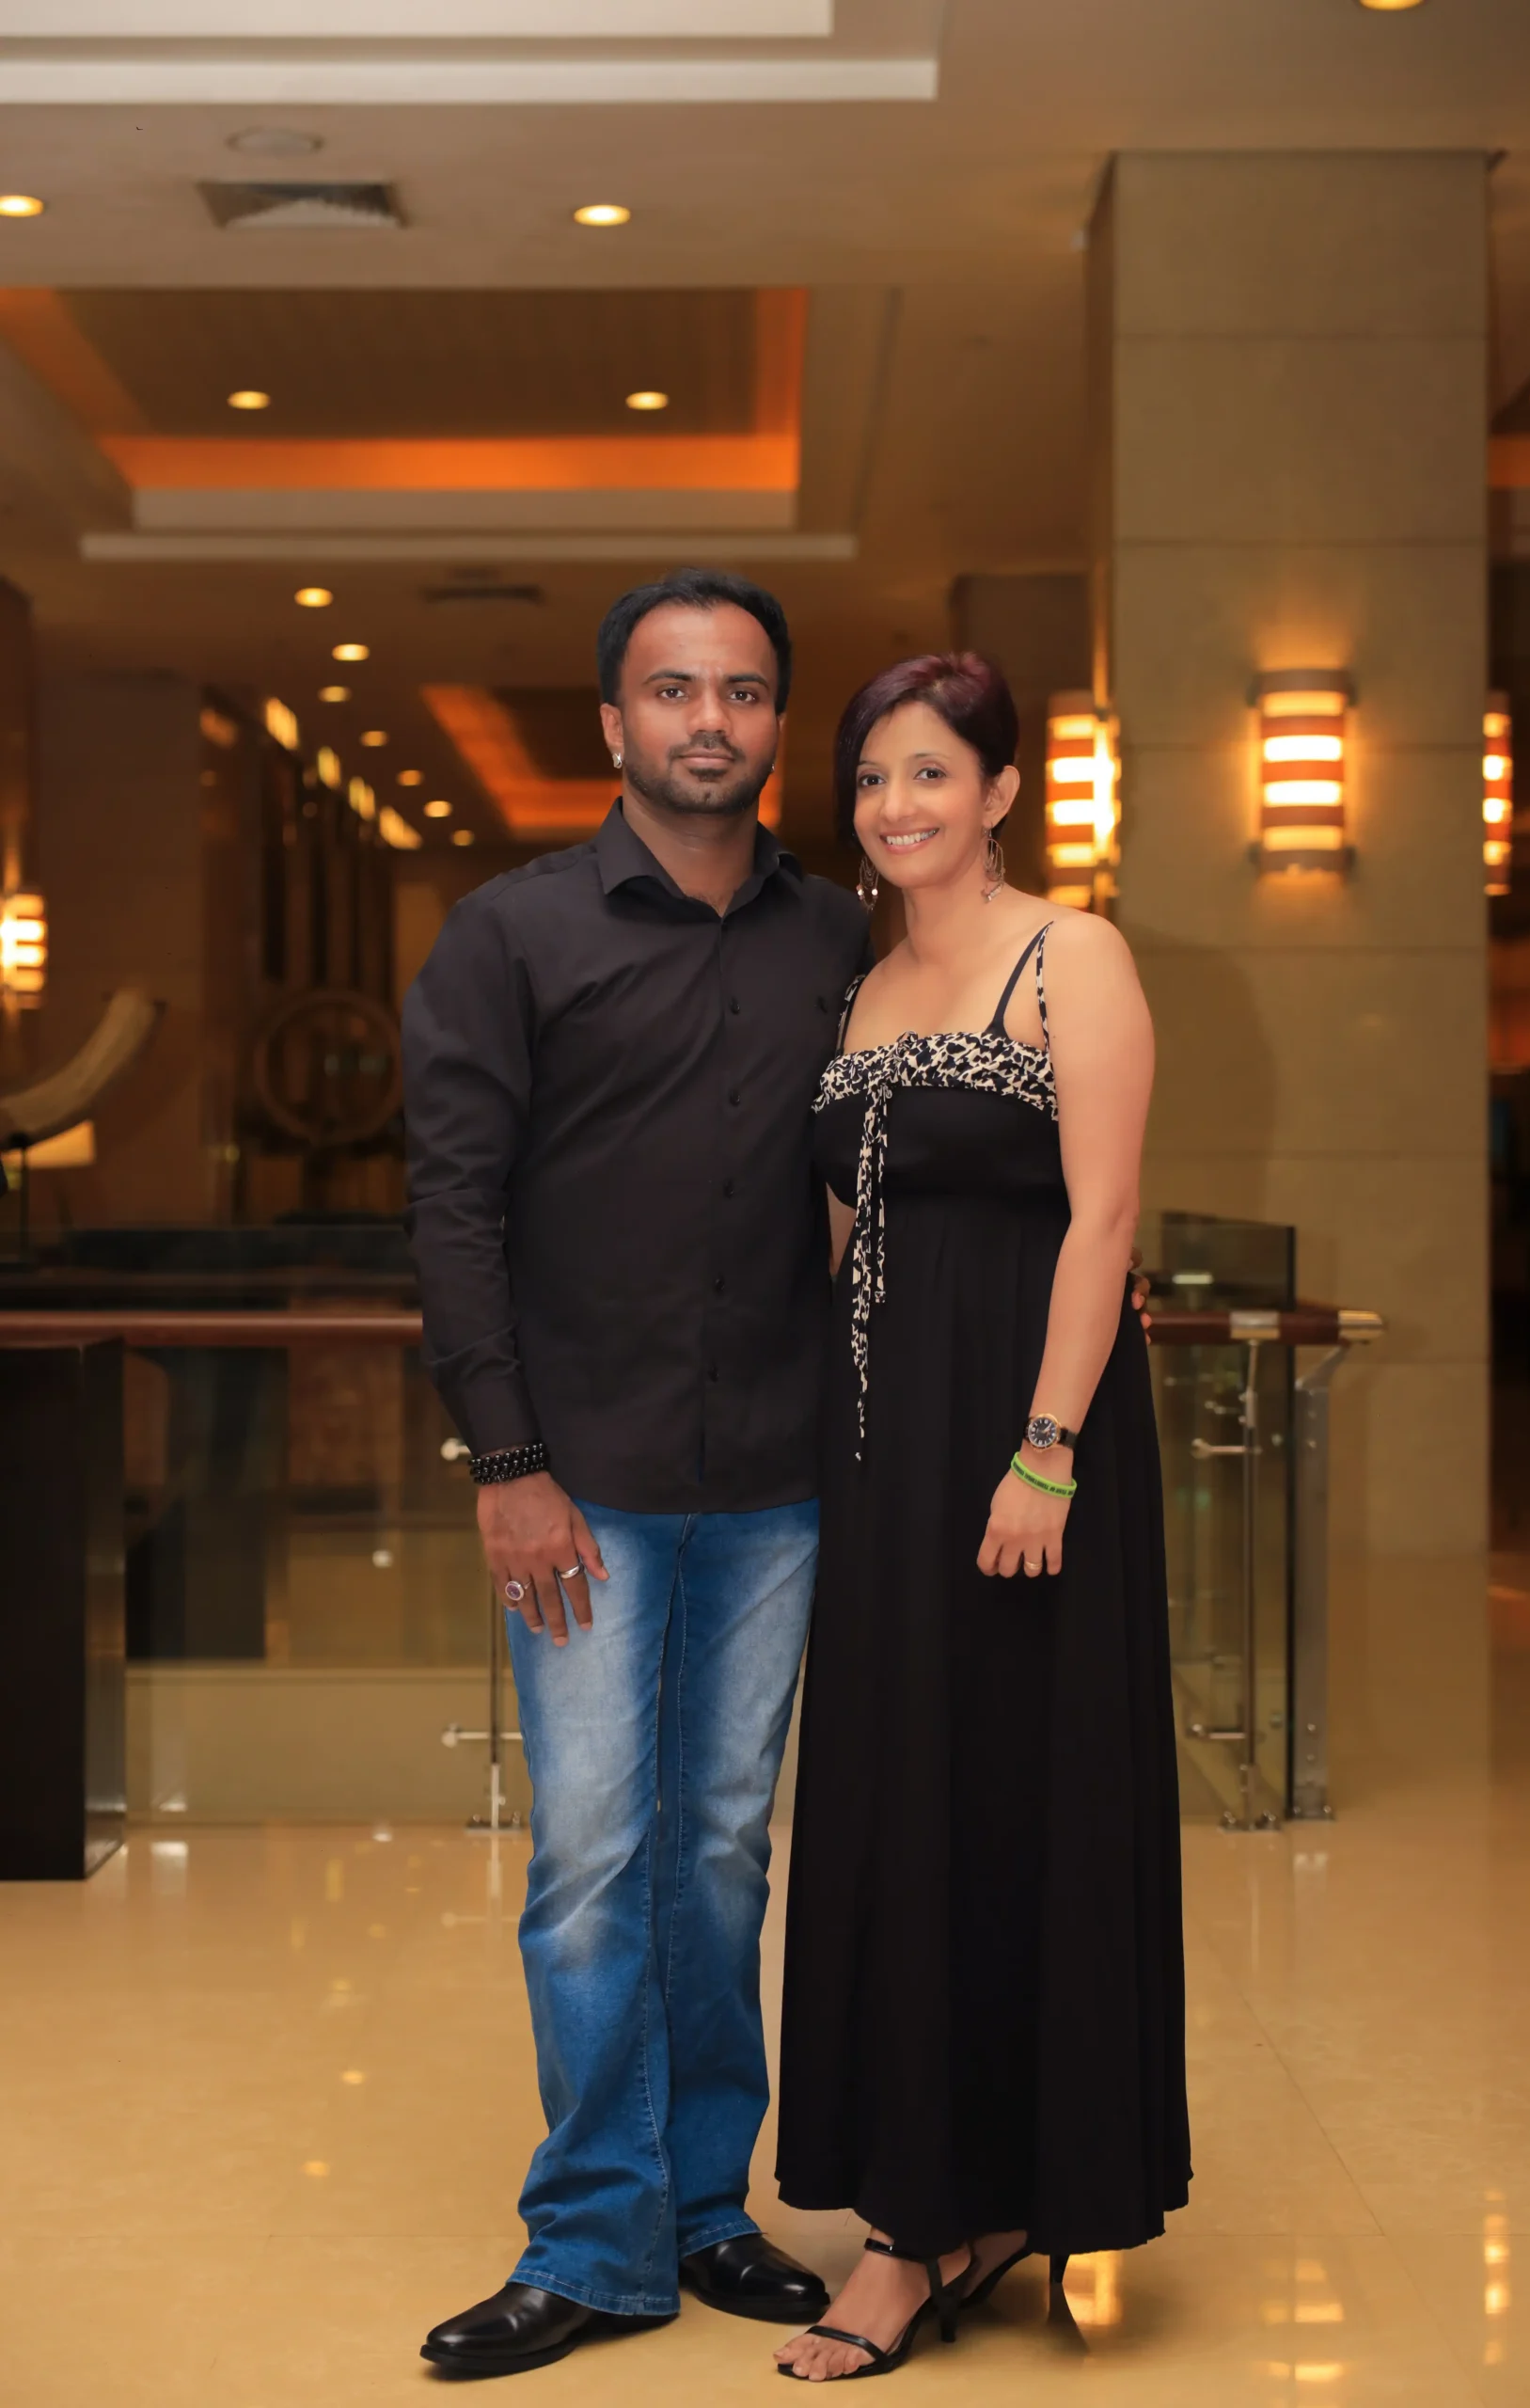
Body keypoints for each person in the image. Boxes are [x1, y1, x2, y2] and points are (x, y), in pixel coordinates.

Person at [402, 569, 867, 2376]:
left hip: (778, 1473)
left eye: (741, 691)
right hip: (577, 1474)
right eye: (672, 690)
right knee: (596, 1855)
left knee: (724, 1847)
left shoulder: (838, 938)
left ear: (775, 724)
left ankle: (701, 2208)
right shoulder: (507, 936)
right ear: (613, 723)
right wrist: (506, 1460)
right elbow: (453, 1212)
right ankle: (594, 2239)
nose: (707, 720)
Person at [773, 654, 1191, 2382]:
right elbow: (845, 1236)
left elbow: (1102, 1219)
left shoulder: (1067, 955)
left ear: (1002, 791)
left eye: (931, 772)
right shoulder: (864, 981)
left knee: (1021, 1793)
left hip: (1027, 1440)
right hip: (880, 1456)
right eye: (873, 778)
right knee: (897, 1800)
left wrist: (1045, 1450)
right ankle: (937, 2198)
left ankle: (947, 2223)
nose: (896, 806)